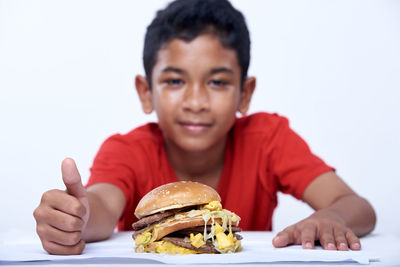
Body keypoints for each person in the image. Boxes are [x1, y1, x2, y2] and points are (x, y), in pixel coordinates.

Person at [33, 0, 376, 255]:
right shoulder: (127, 150)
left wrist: (331, 218)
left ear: (245, 93)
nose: (195, 101)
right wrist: (79, 216)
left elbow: (357, 206)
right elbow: (102, 208)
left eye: (216, 82)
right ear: (145, 92)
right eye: (175, 81)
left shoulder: (268, 140)